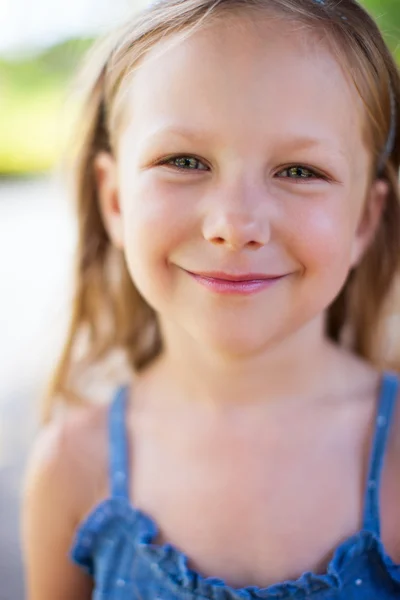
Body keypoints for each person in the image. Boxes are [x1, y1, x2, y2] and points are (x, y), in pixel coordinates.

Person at [21, 0, 400, 598]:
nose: (235, 223)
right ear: (115, 199)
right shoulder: (72, 466)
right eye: (184, 161)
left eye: (299, 171)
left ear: (364, 220)